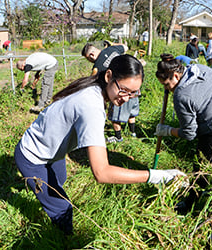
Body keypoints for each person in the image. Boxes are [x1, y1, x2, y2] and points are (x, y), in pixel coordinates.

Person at [14, 54, 186, 235]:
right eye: (124, 90)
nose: (127, 98)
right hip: (33, 155)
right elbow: (102, 172)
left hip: (52, 150)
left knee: (59, 182)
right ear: (108, 76)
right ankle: (66, 241)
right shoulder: (91, 105)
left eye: (133, 93)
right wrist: (156, 176)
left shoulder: (95, 87)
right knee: (63, 209)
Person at [155, 53, 212, 164]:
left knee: (203, 166)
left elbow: (189, 134)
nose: (166, 89)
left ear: (176, 76)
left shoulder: (181, 96)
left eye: (166, 84)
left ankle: (204, 180)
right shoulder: (200, 68)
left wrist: (168, 131)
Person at [82, 43, 139, 143]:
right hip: (133, 83)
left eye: (88, 59)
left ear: (91, 55)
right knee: (131, 111)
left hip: (119, 90)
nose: (90, 61)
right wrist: (112, 44)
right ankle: (132, 133)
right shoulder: (112, 49)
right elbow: (125, 47)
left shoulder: (97, 65)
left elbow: (92, 81)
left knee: (114, 117)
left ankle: (118, 137)